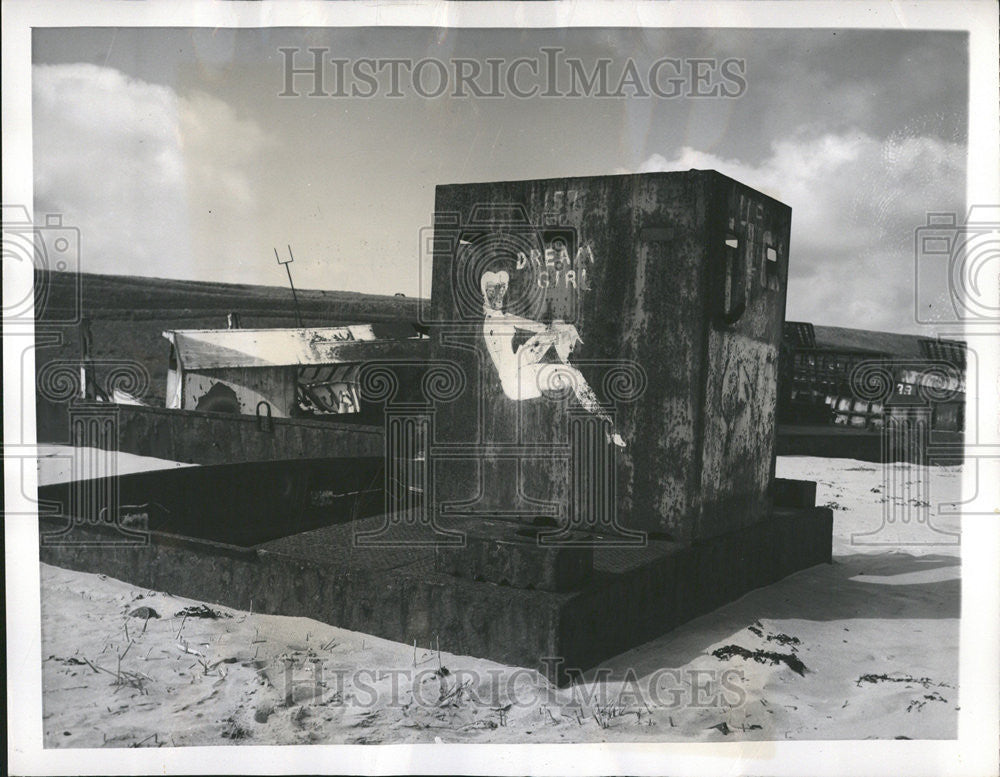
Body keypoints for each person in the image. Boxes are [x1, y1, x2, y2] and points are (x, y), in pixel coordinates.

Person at [479, 270, 625, 448]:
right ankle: (607, 424)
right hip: (515, 381)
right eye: (492, 291)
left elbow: (539, 328)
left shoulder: (504, 317)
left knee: (556, 332)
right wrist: (544, 348)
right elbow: (506, 368)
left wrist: (560, 331)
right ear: (485, 294)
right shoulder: (492, 325)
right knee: (574, 375)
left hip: (519, 369)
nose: (498, 295)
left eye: (501, 289)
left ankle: (606, 422)